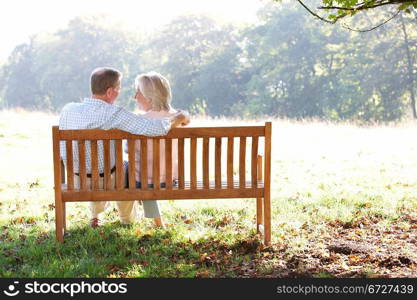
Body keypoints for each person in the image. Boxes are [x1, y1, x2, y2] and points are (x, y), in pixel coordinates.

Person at [59, 67, 189, 228]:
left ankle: (95, 215)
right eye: (118, 88)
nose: (120, 92)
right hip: (108, 180)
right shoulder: (114, 113)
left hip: (76, 180)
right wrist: (178, 117)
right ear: (109, 92)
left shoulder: (67, 109)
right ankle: (127, 218)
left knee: (100, 166)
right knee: (125, 169)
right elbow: (153, 128)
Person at [125, 72, 181, 228]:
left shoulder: (140, 121)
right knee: (146, 173)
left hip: (145, 181)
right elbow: (186, 117)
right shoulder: (177, 118)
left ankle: (132, 218)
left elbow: (127, 150)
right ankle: (156, 222)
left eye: (138, 92)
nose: (135, 97)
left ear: (149, 97)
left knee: (137, 174)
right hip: (171, 178)